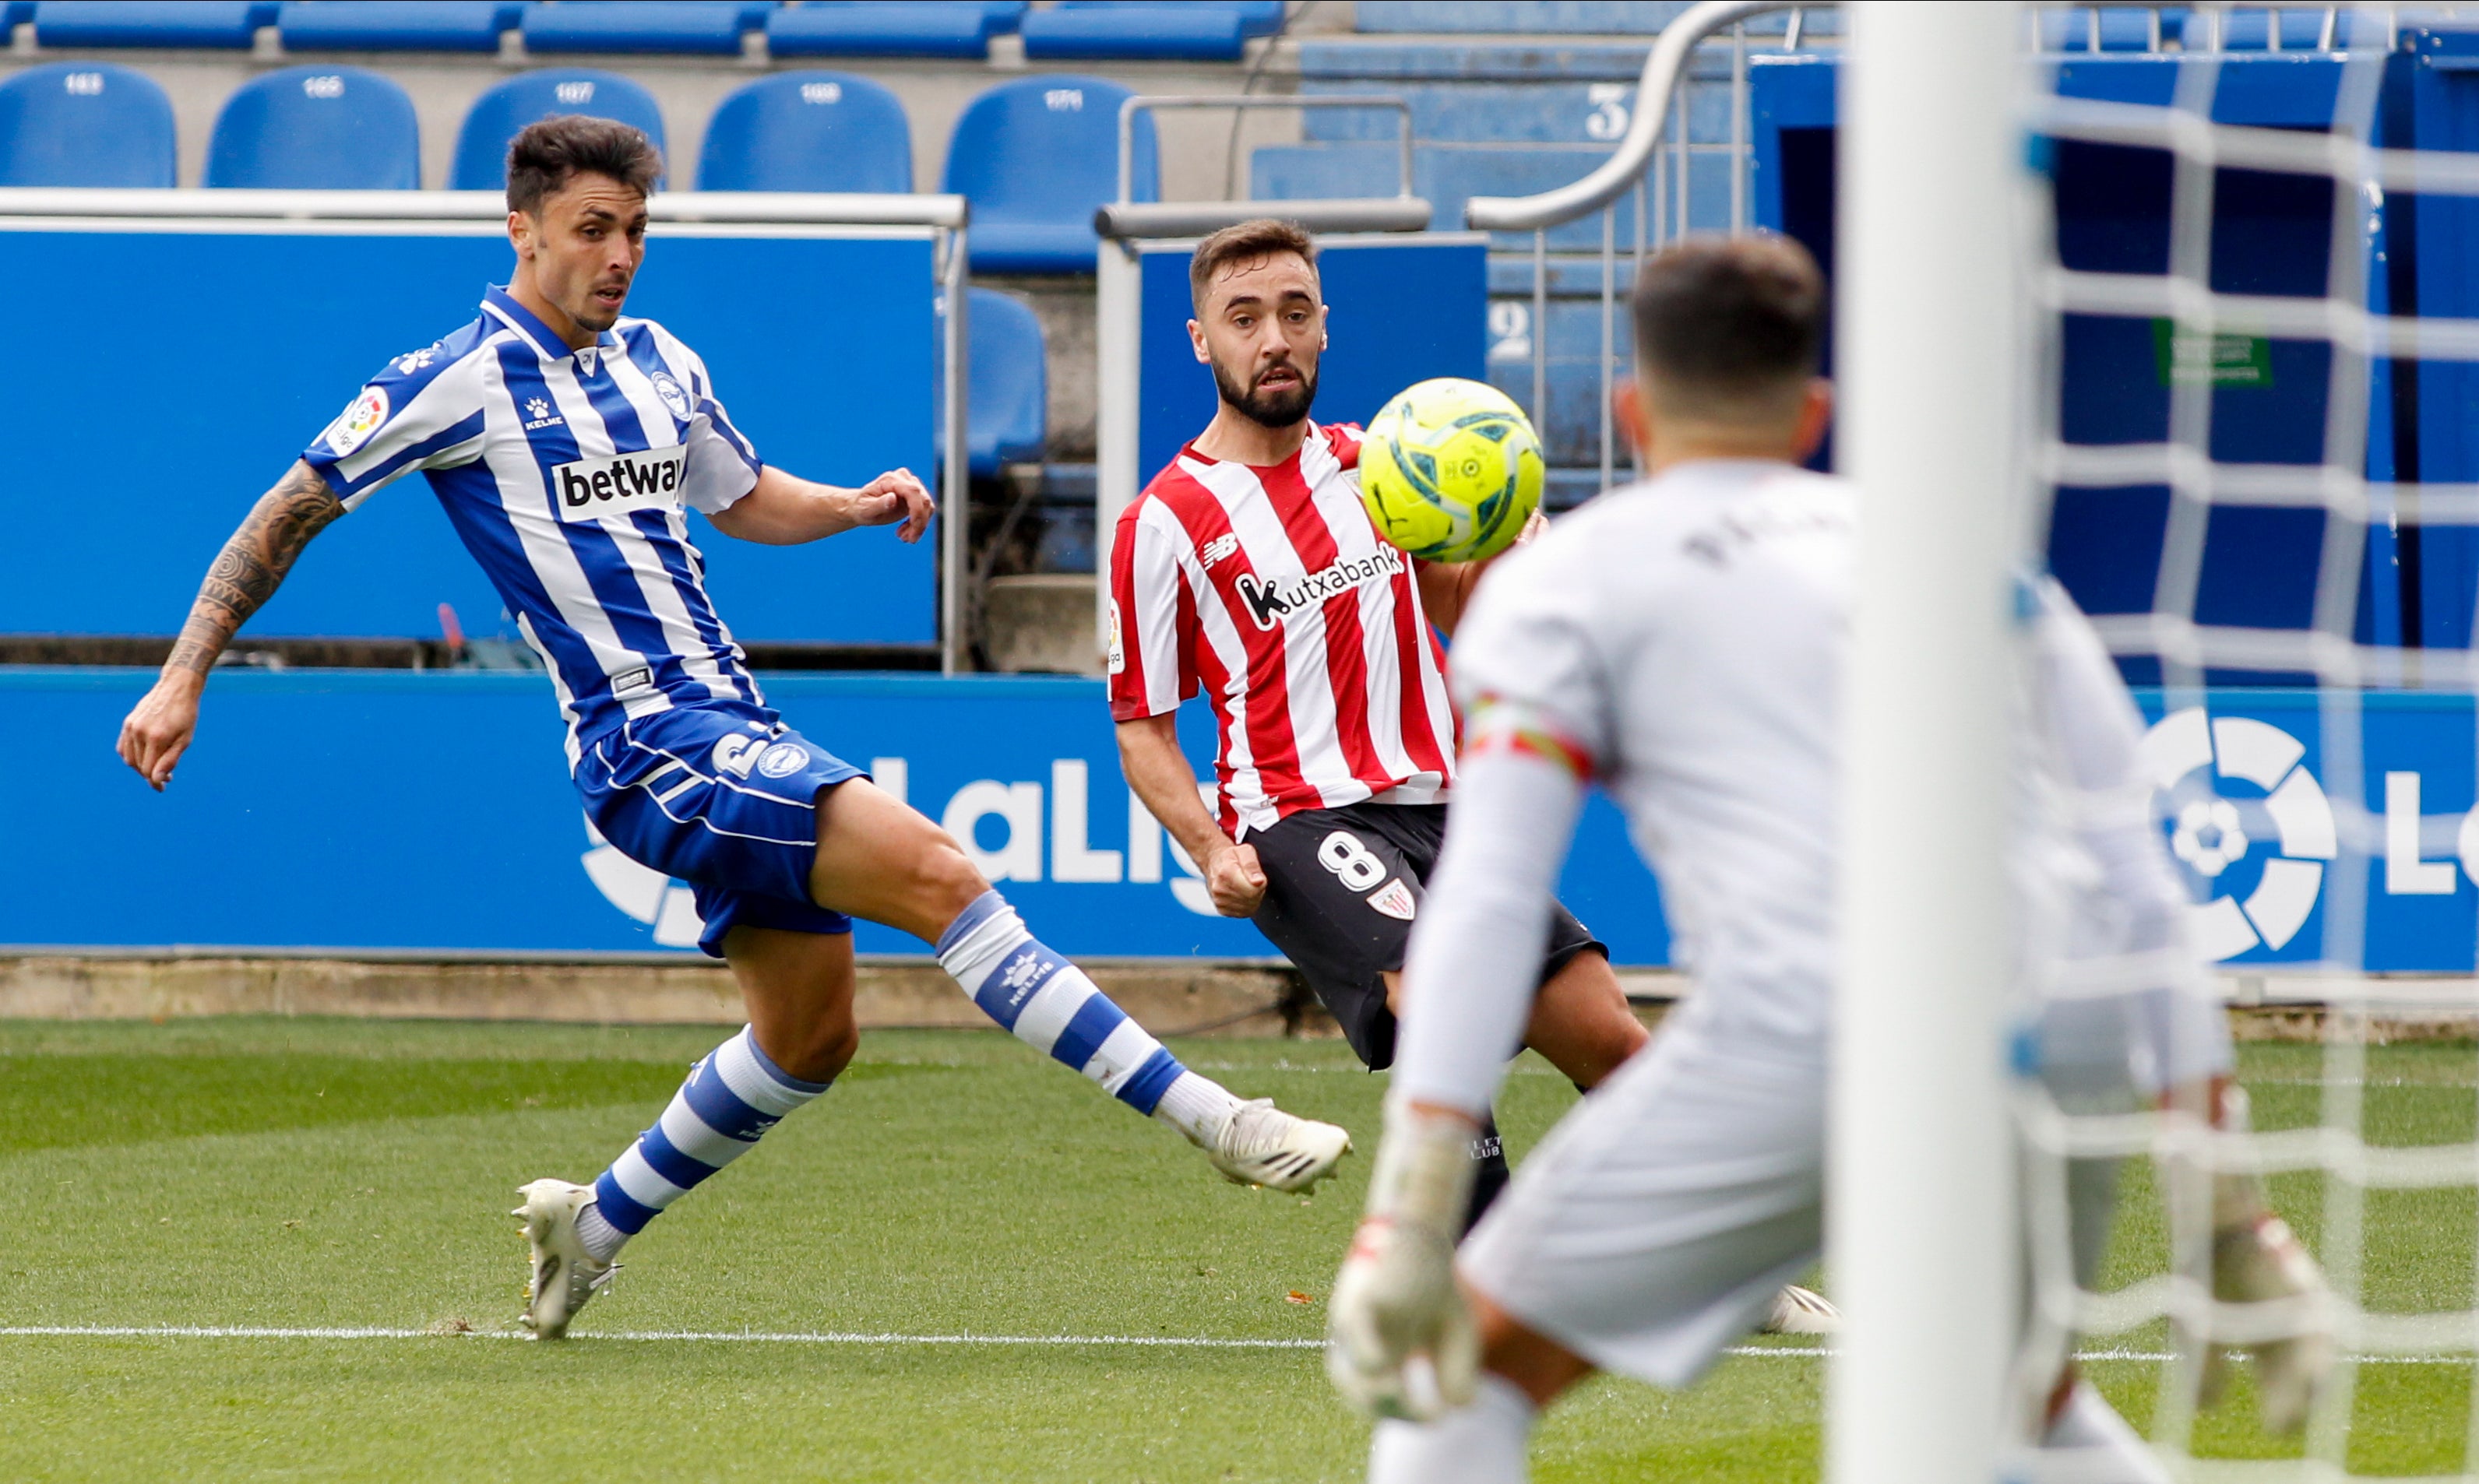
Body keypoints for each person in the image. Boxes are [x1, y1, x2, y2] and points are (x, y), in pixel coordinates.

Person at [113, 117, 1351, 1342]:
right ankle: (1216, 1120)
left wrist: (857, 505)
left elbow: (744, 497)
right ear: (522, 231)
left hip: (733, 715)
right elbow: (287, 513)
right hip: (643, 741)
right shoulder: (458, 380)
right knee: (941, 872)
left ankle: (585, 1231)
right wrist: (183, 676)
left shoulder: (660, 358)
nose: (620, 255)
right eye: (592, 230)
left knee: (811, 1035)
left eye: (636, 231)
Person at [1319, 235, 2329, 1482]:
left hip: (1816, 1018)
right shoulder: (1966, 560)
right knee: (2012, 1410)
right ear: (1811, 413)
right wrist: (2234, 1197)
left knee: (1451, 1383)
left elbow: (1482, 897)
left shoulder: (1567, 580)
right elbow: (2133, 870)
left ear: (1633, 411)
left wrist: (1414, 1208)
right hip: (2060, 1021)